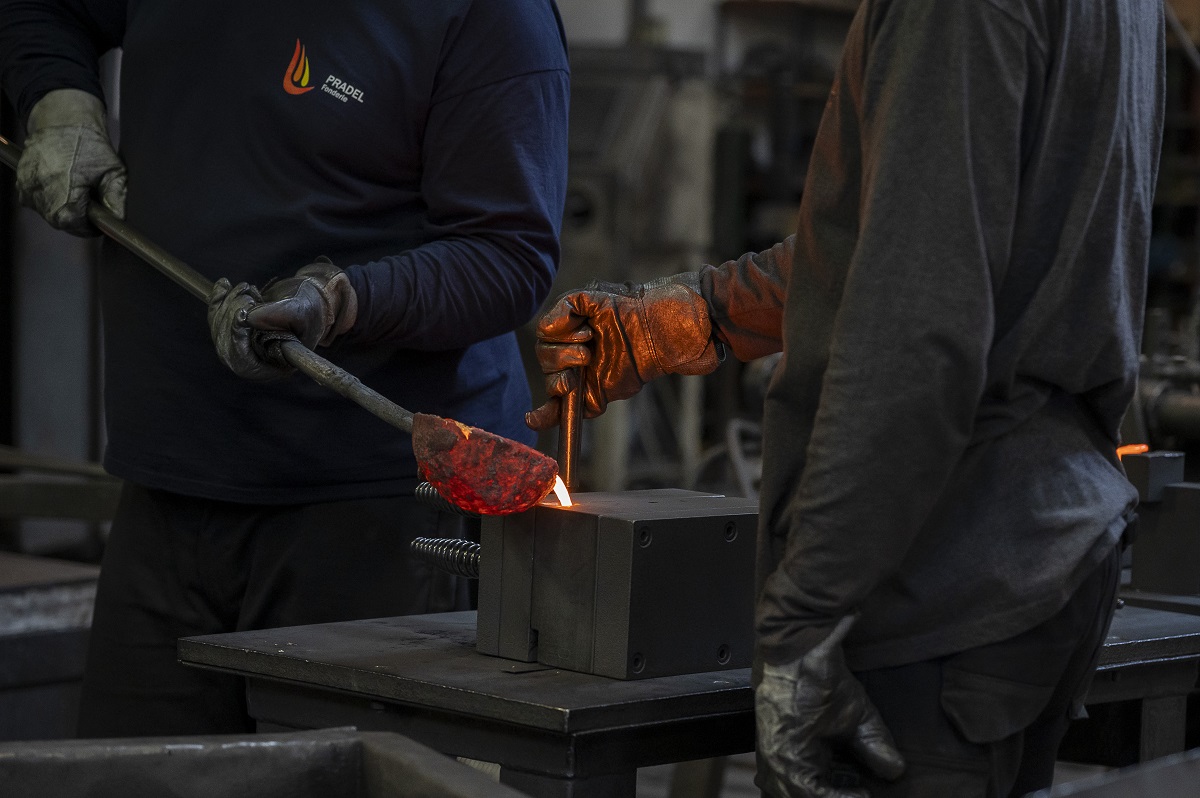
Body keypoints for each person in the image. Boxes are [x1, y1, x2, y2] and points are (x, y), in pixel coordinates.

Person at [527, 1, 1164, 795]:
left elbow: (920, 329)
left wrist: (802, 621)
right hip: (1040, 553)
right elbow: (912, 237)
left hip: (933, 581)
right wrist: (701, 313)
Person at [1, 0, 569, 737]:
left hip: (376, 510)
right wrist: (57, 97)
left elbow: (509, 256)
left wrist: (340, 300)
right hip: (169, 484)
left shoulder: (488, 15)